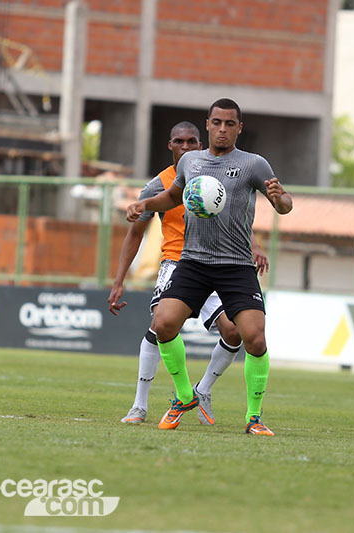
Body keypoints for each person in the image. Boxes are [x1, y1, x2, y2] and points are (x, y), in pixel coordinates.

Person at [126, 98, 293, 436]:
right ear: (208, 124)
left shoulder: (253, 164)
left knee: (254, 338)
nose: (222, 129)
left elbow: (285, 205)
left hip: (236, 265)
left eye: (229, 124)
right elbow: (173, 197)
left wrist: (279, 198)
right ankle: (186, 396)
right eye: (217, 122)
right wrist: (145, 203)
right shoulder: (191, 161)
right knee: (163, 323)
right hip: (194, 262)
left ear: (239, 128)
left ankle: (254, 418)